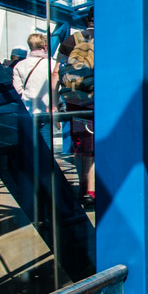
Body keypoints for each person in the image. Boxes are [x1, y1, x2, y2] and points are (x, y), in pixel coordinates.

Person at [58, 16, 96, 205]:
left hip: (73, 98)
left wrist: (57, 100)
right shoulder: (107, 37)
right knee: (93, 146)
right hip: (93, 98)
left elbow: (58, 70)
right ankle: (91, 189)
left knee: (80, 143)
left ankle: (82, 184)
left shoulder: (70, 40)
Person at [13, 32, 54, 114]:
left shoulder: (20, 65)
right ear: (45, 46)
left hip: (27, 110)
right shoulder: (52, 64)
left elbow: (17, 91)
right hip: (48, 111)